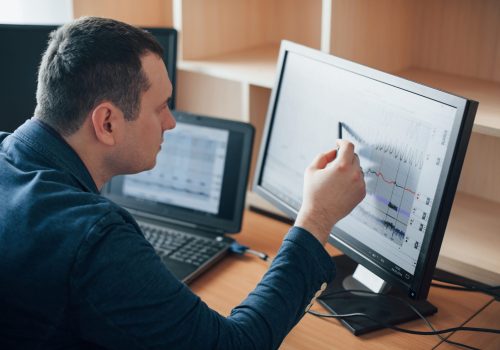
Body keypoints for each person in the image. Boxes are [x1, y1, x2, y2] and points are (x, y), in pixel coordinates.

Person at [0, 17, 365, 349]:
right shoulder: (93, 237)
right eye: (161, 106)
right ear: (107, 122)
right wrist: (316, 218)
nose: (171, 122)